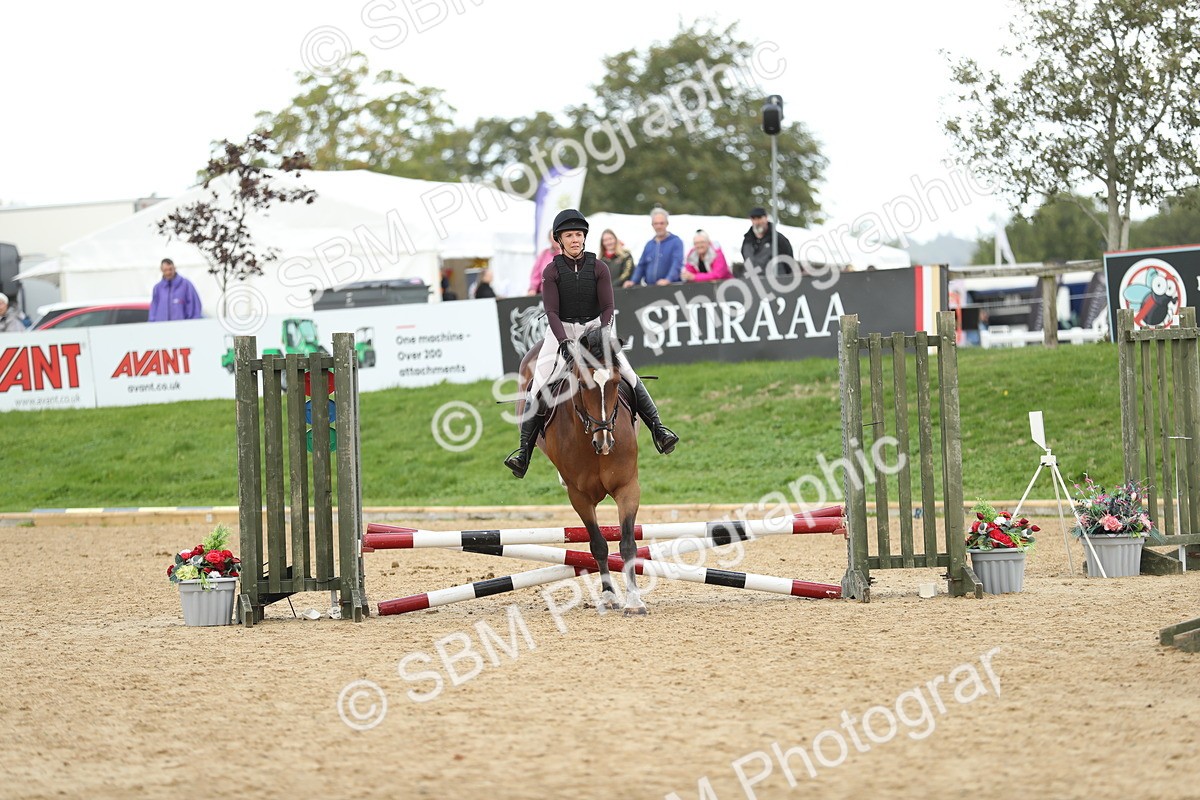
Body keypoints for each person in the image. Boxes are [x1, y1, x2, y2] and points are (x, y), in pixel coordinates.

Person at [504, 208, 679, 478]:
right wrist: (563, 342)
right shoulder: (551, 272)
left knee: (630, 375)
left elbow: (608, 305)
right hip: (560, 329)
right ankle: (523, 453)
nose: (575, 240)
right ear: (559, 240)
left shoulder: (599, 267)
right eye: (569, 235)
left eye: (579, 235)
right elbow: (551, 311)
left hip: (595, 327)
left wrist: (603, 335)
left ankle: (659, 429)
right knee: (537, 384)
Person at [624, 208, 683, 287]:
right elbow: (641, 265)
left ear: (667, 224)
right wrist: (633, 281)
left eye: (661, 223)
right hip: (651, 289)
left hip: (671, 288)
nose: (659, 226)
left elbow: (677, 264)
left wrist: (668, 279)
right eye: (656, 223)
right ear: (652, 225)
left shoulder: (676, 242)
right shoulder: (649, 245)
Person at [741, 206, 794, 277]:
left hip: (775, 284)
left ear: (766, 218)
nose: (757, 222)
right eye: (754, 219)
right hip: (752, 284)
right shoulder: (747, 240)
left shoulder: (778, 239)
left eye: (759, 218)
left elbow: (789, 262)